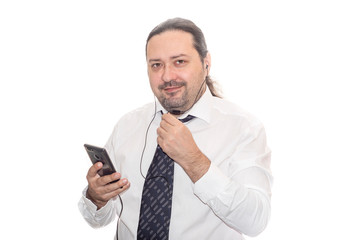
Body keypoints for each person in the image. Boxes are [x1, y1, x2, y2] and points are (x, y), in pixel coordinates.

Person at [78, 18, 272, 240]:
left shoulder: (243, 128)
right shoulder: (128, 125)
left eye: (179, 61)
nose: (167, 76)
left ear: (206, 63)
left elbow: (255, 222)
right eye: (156, 65)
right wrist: (97, 197)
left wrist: (194, 160)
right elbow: (100, 219)